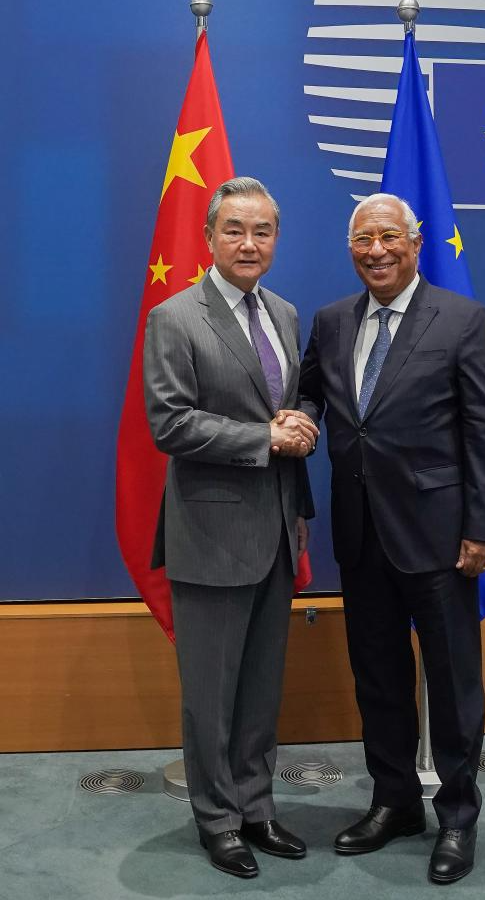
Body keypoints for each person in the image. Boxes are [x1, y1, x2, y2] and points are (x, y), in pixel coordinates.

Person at [298, 192, 485, 885]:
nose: (377, 250)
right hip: (361, 534)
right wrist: (299, 419)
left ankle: (457, 816)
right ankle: (394, 801)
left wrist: (482, 527)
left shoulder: (463, 319)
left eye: (390, 237)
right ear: (350, 248)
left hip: (441, 537)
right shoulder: (331, 321)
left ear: (415, 244)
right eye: (364, 239)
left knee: (452, 682)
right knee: (378, 676)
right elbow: (309, 392)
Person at [143, 176, 318, 879]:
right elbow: (170, 423)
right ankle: (217, 819)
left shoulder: (285, 312)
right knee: (211, 696)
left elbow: (288, 404)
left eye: (263, 231)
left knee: (260, 688)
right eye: (235, 230)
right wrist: (265, 438)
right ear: (209, 236)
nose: (250, 243)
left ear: (276, 239)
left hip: (276, 531)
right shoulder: (175, 317)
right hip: (211, 536)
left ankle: (256, 806)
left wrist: (299, 426)